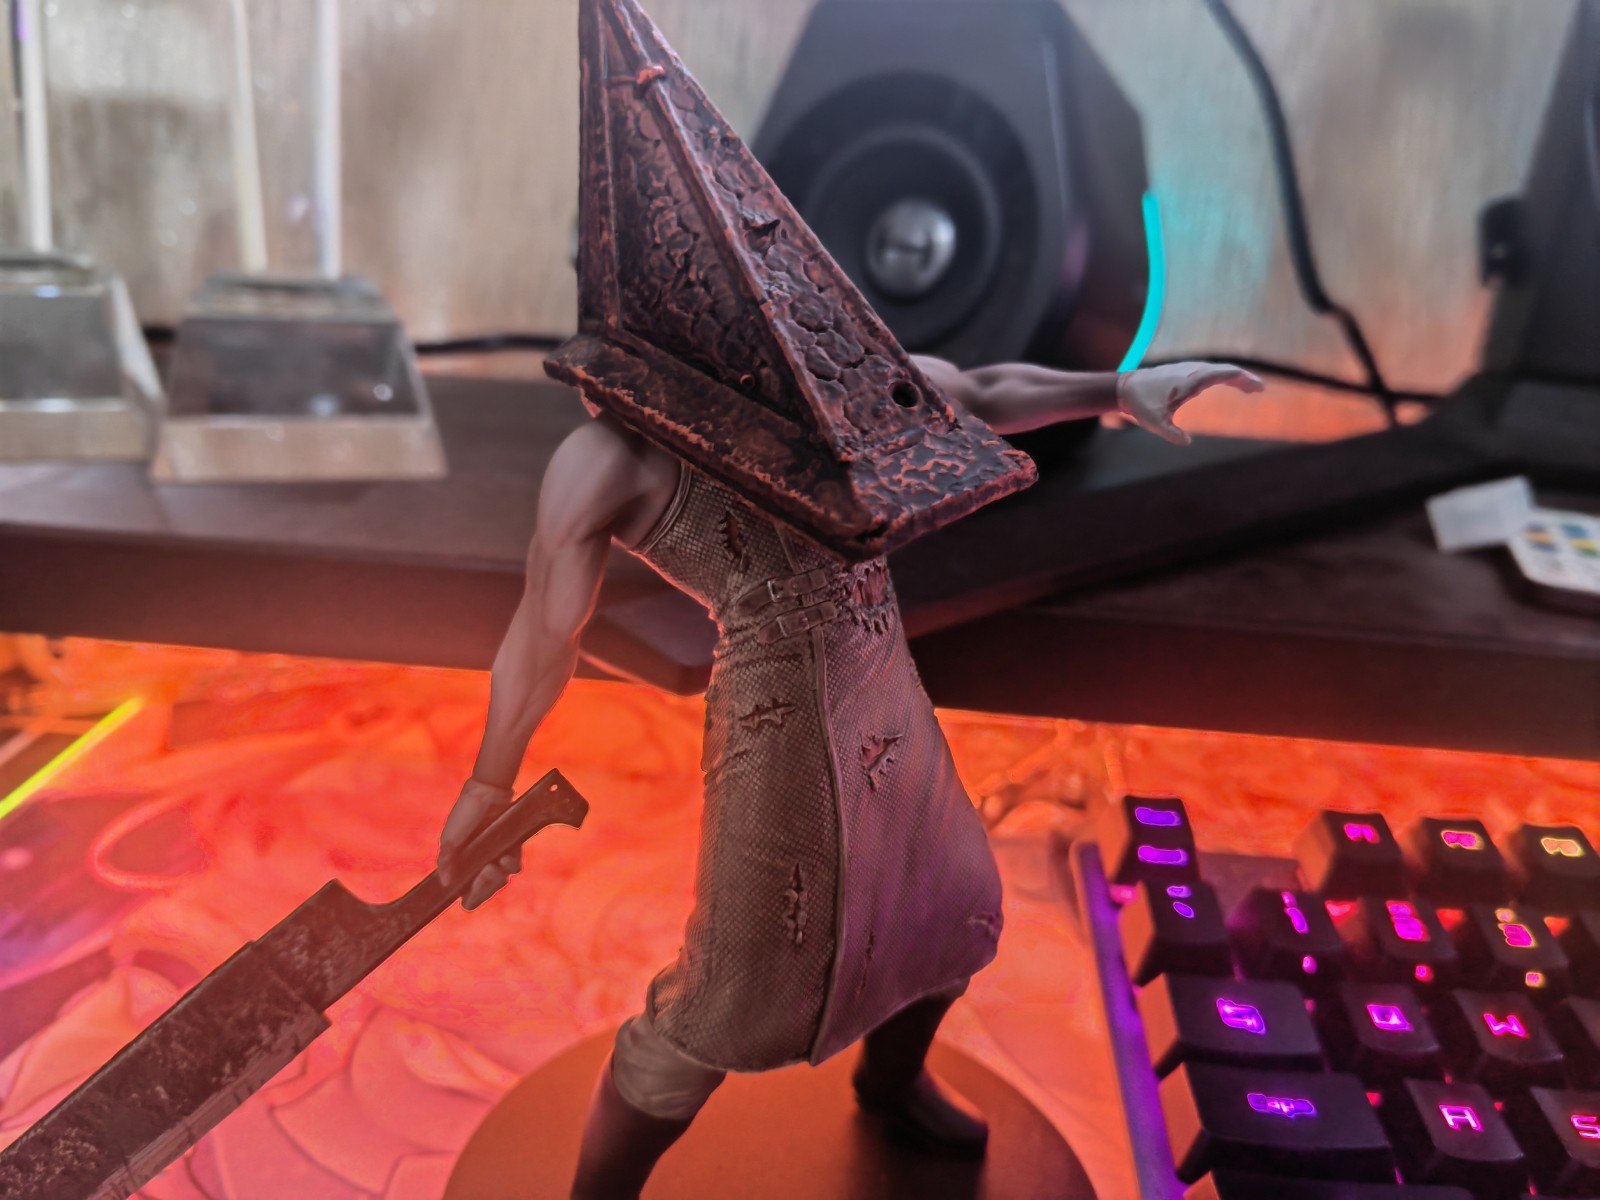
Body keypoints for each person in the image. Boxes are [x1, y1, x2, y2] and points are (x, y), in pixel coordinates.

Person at [437, 358, 1263, 1199]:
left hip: (879, 678)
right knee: (731, 992)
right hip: (777, 721)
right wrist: (487, 787)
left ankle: (891, 1081)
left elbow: (973, 391)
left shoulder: (818, 372)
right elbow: (544, 630)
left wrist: (1116, 391)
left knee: (951, 901)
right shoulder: (611, 454)